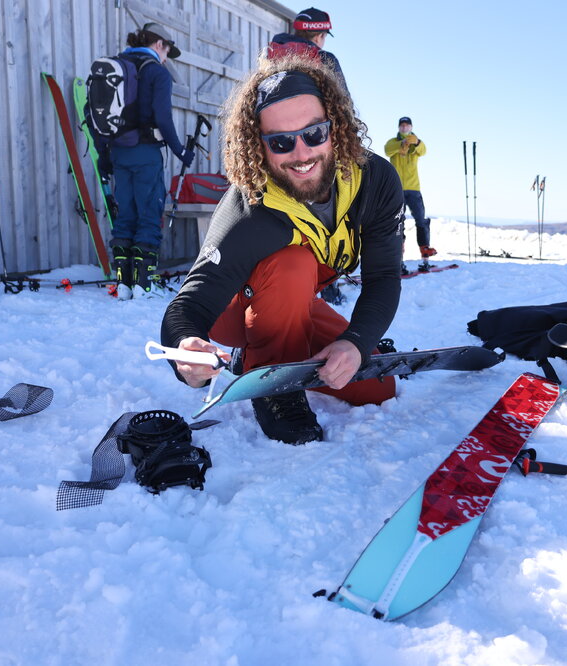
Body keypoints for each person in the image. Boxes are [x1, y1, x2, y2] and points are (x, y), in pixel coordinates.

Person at [160, 54, 405, 445]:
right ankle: (274, 385)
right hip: (236, 307)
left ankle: (261, 356)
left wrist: (356, 343)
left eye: (314, 133)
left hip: (292, 305)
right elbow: (190, 304)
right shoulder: (251, 205)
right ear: (259, 146)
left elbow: (384, 277)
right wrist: (184, 349)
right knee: (293, 262)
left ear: (335, 126)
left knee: (375, 388)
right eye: (280, 142)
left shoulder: (374, 181)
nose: (302, 153)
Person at [107, 23, 189, 299]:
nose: (166, 57)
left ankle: (123, 281)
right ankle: (144, 284)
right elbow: (163, 118)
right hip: (146, 153)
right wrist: (180, 151)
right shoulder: (157, 72)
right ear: (159, 45)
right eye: (167, 51)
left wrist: (105, 156)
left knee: (125, 213)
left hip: (118, 152)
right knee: (149, 213)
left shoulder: (115, 67)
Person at [384, 117, 435, 273]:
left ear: (411, 127)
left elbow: (424, 150)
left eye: (407, 125)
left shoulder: (416, 144)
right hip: (397, 188)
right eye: (402, 125)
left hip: (413, 188)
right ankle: (398, 261)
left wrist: (416, 143)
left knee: (421, 220)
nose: (404, 128)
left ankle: (425, 256)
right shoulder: (392, 142)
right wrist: (401, 145)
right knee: (398, 223)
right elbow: (387, 150)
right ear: (399, 127)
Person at [267, 7, 349, 96]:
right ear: (320, 36)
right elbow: (343, 98)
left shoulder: (272, 51)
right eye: (324, 37)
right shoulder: (326, 58)